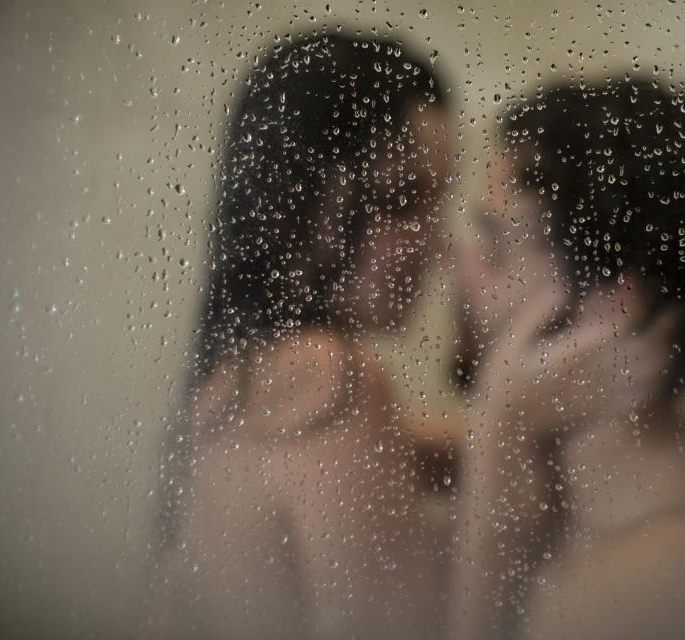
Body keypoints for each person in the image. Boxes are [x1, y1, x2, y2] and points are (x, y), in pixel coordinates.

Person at [451, 79, 685, 639]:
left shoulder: (661, 576)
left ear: (610, 312)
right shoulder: (619, 476)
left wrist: (498, 438)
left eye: (497, 243)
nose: (461, 267)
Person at [145, 32, 454, 639]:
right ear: (299, 197)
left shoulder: (234, 380)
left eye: (436, 205)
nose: (438, 245)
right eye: (404, 200)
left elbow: (425, 438)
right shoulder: (332, 381)